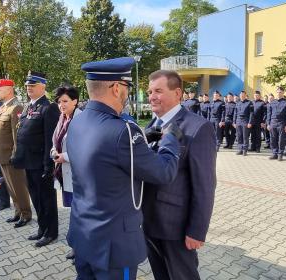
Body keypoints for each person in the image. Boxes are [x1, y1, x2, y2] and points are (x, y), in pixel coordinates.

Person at [66, 57, 181, 280]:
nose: (127, 94)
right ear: (117, 88)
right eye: (127, 87)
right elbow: (163, 172)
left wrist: (141, 141)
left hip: (83, 235)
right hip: (114, 247)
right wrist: (170, 140)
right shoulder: (124, 131)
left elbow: (103, 158)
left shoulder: (77, 122)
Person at [143, 70, 216, 280]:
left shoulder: (197, 127)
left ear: (177, 93)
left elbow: (205, 185)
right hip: (149, 221)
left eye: (158, 91)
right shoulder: (152, 125)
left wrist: (197, 230)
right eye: (149, 91)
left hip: (176, 227)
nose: (151, 96)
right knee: (161, 275)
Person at [13, 71, 60, 247]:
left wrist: (48, 166)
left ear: (43, 86)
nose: (28, 88)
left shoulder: (49, 107)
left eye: (32, 85)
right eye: (27, 86)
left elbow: (50, 139)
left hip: (41, 164)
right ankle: (42, 228)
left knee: (47, 200)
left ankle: (51, 233)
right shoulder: (28, 106)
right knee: (36, 198)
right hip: (28, 162)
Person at [0, 79, 32, 228]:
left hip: (11, 156)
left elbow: (17, 135)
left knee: (18, 187)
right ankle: (18, 212)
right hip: (2, 156)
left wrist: (16, 155)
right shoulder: (3, 107)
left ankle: (26, 214)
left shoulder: (16, 107)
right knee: (10, 187)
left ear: (9, 90)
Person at [50, 86, 81, 260]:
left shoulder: (81, 118)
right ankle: (77, 246)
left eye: (65, 101)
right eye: (59, 102)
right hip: (64, 173)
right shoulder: (62, 118)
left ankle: (80, 248)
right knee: (74, 212)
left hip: (78, 175)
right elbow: (56, 141)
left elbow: (87, 147)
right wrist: (54, 152)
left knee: (79, 213)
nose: (61, 105)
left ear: (75, 101)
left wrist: (65, 157)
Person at [267, 86, 286, 161]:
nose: (279, 93)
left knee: (281, 140)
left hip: (282, 122)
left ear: (283, 93)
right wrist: (268, 124)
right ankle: (274, 153)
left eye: (280, 92)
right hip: (273, 122)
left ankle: (280, 154)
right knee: (273, 139)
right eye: (277, 92)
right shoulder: (272, 102)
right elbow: (269, 114)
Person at [233, 90, 253, 156]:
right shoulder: (237, 103)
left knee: (245, 136)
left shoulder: (249, 103)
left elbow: (251, 113)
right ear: (239, 96)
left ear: (245, 95)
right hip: (238, 121)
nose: (242, 96)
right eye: (241, 95)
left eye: (243, 95)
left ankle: (245, 150)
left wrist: (250, 122)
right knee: (239, 136)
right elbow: (235, 113)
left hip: (245, 121)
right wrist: (234, 122)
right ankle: (240, 149)